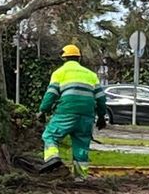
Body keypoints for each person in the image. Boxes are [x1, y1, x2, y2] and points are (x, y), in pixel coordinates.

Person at [38, 44, 108, 181]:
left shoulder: (59, 73)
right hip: (86, 115)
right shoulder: (91, 75)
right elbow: (101, 99)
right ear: (79, 58)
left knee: (50, 135)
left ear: (63, 58)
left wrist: (42, 111)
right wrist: (101, 117)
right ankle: (80, 177)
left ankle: (53, 158)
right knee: (81, 145)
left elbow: (51, 94)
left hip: (66, 112)